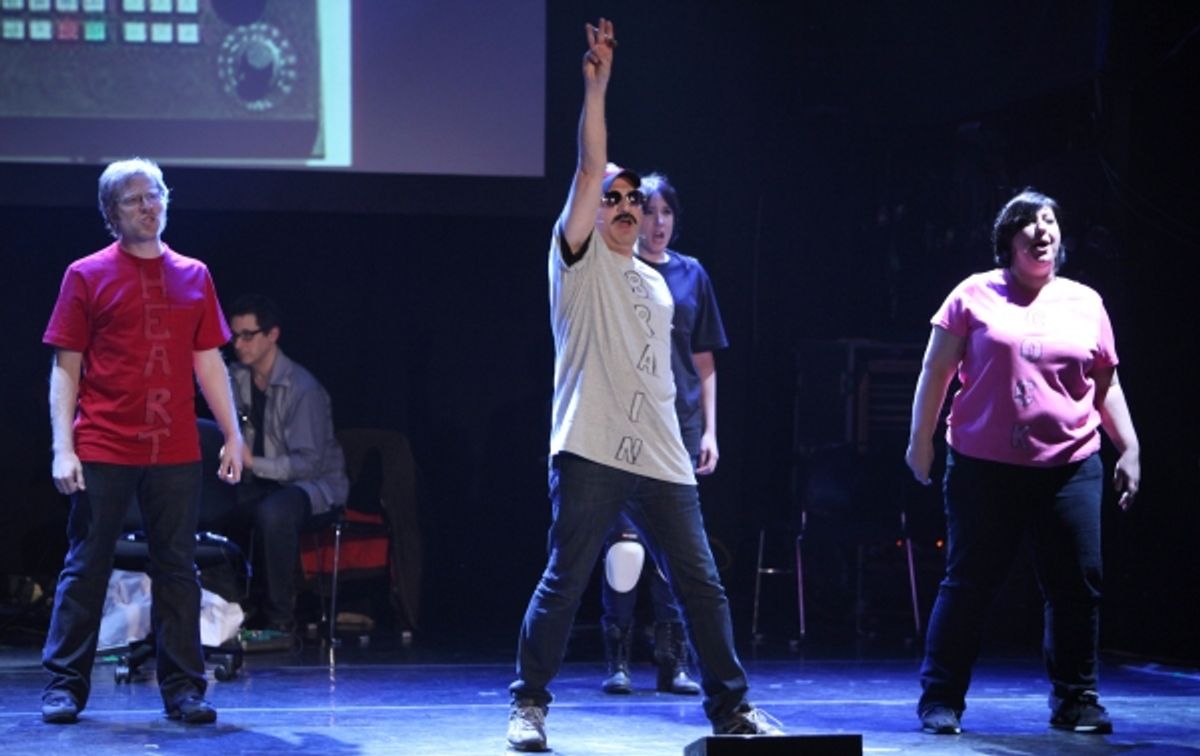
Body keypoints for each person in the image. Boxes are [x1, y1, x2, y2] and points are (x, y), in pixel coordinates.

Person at [506, 19, 780, 752]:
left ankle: (731, 709)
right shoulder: (576, 261)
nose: (626, 205)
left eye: (635, 199)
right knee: (566, 579)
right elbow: (589, 166)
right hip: (591, 447)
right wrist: (597, 87)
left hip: (660, 453)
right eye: (614, 197)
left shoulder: (659, 284)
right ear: (592, 210)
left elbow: (670, 374)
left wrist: (694, 439)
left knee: (700, 583)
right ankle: (529, 704)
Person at [905, 189, 1141, 736]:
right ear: (1008, 239)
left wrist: (1129, 446)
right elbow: (935, 371)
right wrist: (920, 440)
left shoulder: (1085, 303)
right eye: (1029, 222)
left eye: (1050, 220)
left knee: (1076, 588)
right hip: (984, 468)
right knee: (968, 584)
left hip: (1069, 466)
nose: (1042, 230)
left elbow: (1105, 384)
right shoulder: (973, 295)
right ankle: (941, 700)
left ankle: (1077, 701)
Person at [41, 157, 244, 725]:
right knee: (88, 565)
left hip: (173, 447)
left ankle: (184, 689)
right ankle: (65, 686)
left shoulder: (194, 274)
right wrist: (63, 447)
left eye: (154, 195)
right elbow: (66, 367)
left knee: (177, 568)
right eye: (133, 199)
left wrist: (232, 433)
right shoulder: (86, 274)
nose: (147, 206)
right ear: (111, 213)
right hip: (103, 444)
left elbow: (208, 360)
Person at [598, 173, 728, 696]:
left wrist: (710, 431)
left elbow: (704, 361)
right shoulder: (615, 268)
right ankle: (618, 658)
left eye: (666, 213)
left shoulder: (692, 274)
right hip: (627, 422)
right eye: (649, 212)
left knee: (676, 548)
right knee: (625, 547)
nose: (658, 223)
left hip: (678, 425)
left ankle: (674, 661)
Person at [225, 293, 349, 643]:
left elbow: (309, 464)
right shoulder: (236, 379)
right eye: (234, 336)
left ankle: (280, 620)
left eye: (248, 335)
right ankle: (229, 610)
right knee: (214, 507)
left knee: (274, 513)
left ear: (272, 335)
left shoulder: (302, 389)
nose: (238, 344)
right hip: (261, 482)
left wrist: (253, 462)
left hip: (314, 487)